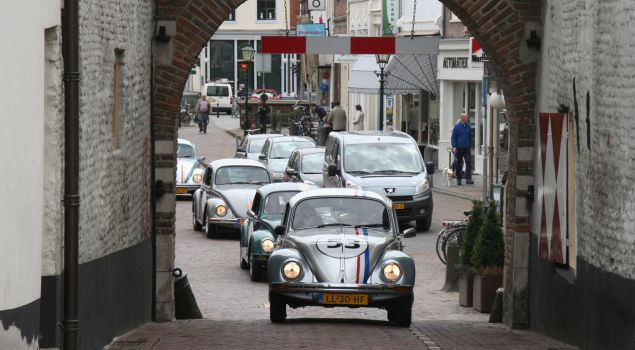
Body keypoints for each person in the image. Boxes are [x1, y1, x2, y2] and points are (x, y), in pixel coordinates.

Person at [451, 113, 473, 185]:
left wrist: (470, 145)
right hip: (459, 148)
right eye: (466, 118)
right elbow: (453, 137)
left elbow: (470, 136)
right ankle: (459, 179)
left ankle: (468, 179)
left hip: (466, 148)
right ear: (462, 118)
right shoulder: (457, 127)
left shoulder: (468, 127)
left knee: (468, 162)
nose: (467, 119)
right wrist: (454, 146)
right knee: (459, 164)